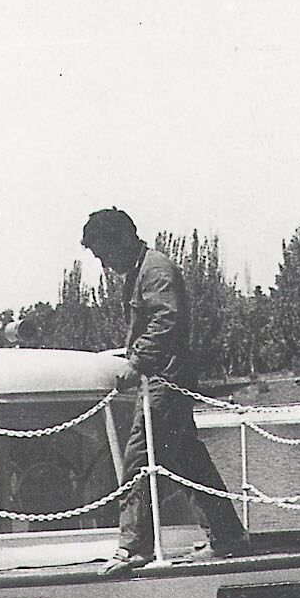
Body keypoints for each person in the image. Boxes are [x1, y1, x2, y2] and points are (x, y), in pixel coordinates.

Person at [81, 208, 249, 574]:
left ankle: (133, 547)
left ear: (121, 240)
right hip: (163, 379)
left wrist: (136, 362)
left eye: (103, 254)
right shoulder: (142, 271)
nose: (104, 264)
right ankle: (228, 536)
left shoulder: (154, 271)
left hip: (165, 382)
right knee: (186, 459)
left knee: (140, 458)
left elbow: (166, 320)